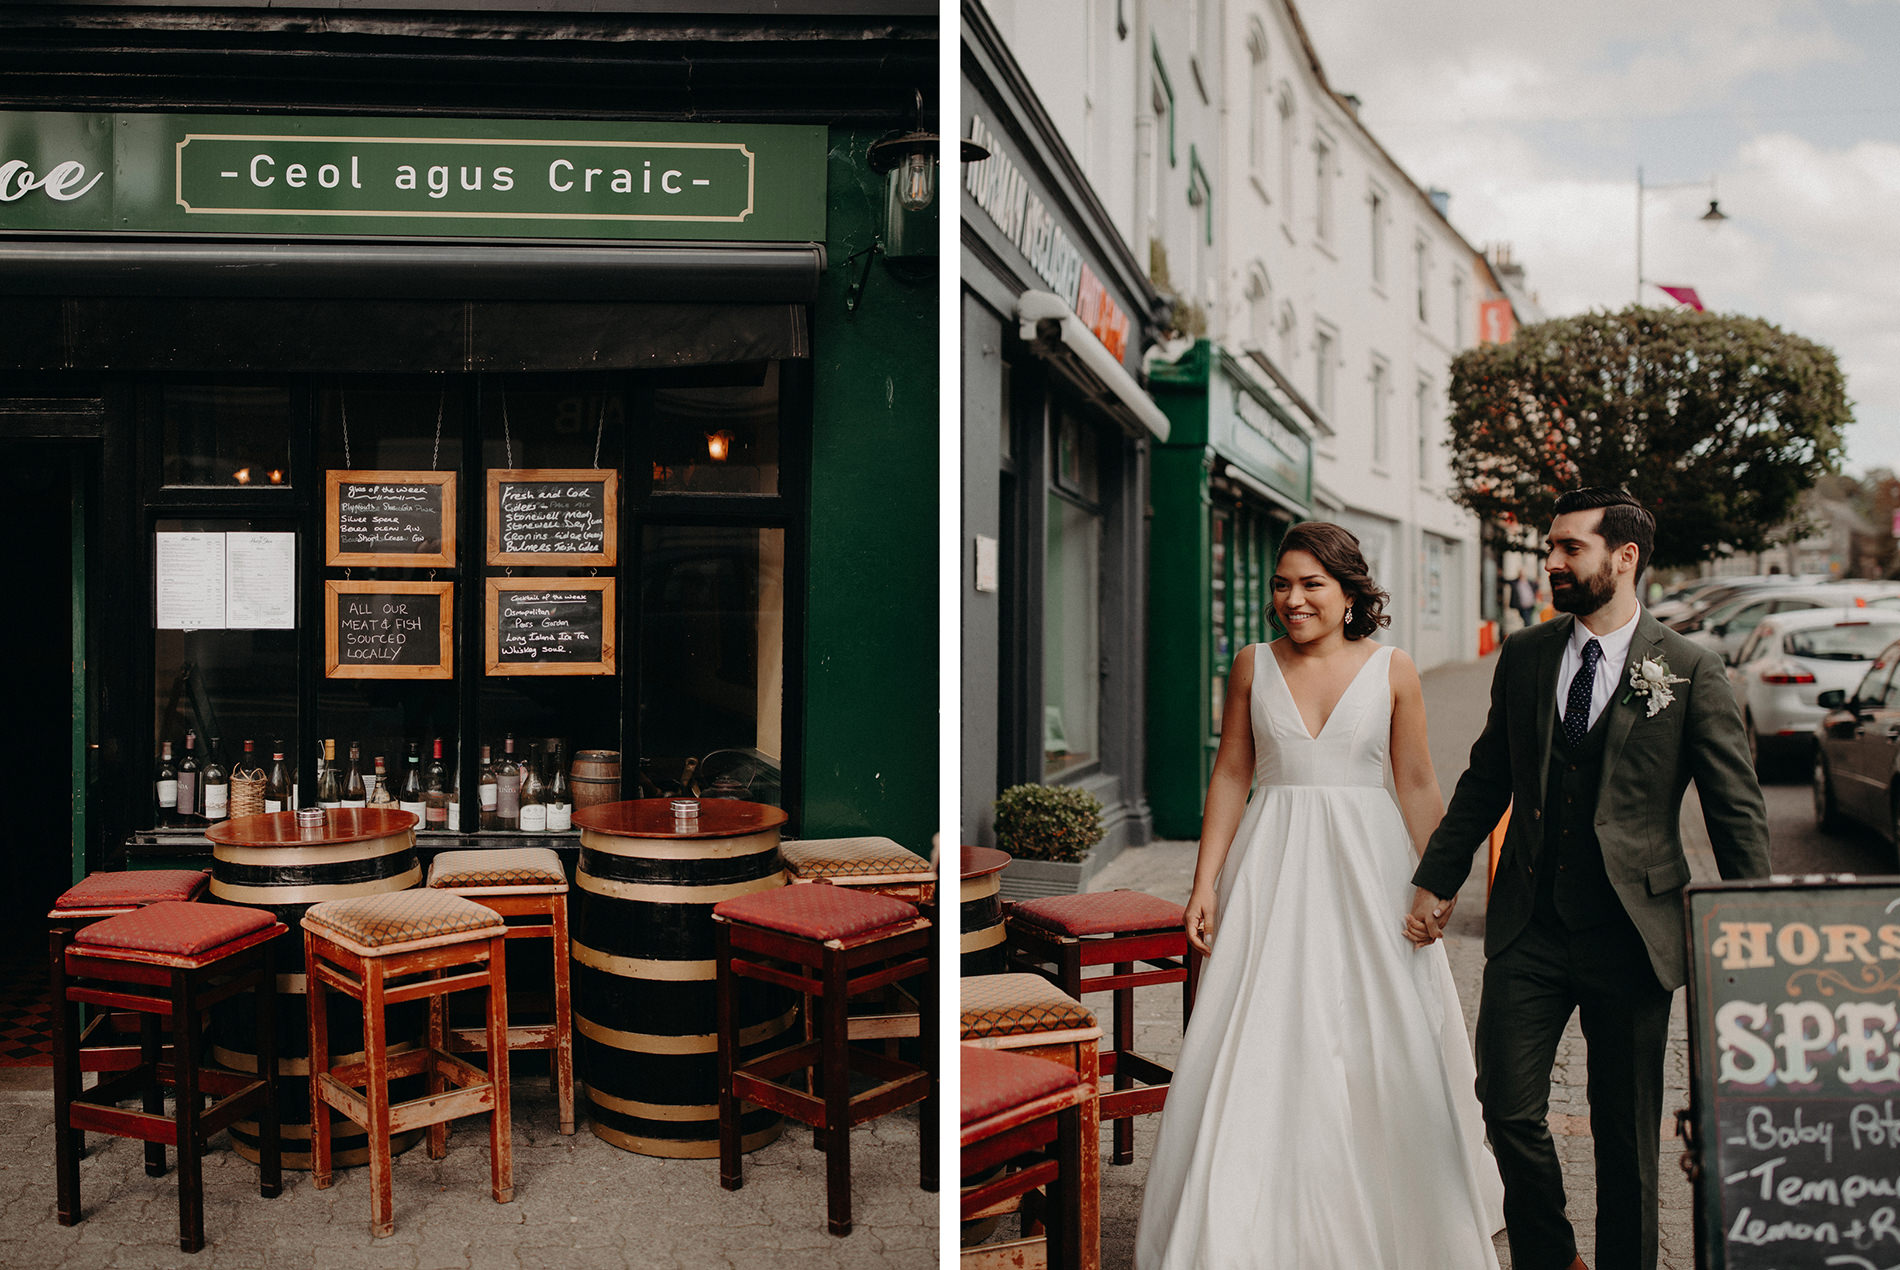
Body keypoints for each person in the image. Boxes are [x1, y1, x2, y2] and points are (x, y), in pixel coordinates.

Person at [1407, 487, 1770, 1270]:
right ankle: (1551, 1257)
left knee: (1626, 1137)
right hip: (1528, 925)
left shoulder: (1691, 670)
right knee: (1504, 1107)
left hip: (1631, 936)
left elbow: (1737, 816)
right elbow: (1485, 778)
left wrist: (1751, 935)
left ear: (1625, 557)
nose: (1552, 562)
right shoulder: (1529, 656)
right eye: (1551, 547)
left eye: (1570, 547)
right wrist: (1437, 879)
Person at [1136, 521, 1505, 1269]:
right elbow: (1233, 775)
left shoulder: (1394, 669)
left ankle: (1402, 1211)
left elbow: (1416, 781)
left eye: (1311, 584)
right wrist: (1203, 883)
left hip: (1372, 870)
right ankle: (1246, 1217)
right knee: (1261, 1029)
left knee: (1380, 1026)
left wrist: (1439, 881)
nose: (1291, 599)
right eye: (1282, 584)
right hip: (1272, 867)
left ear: (1348, 594)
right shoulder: (1250, 665)